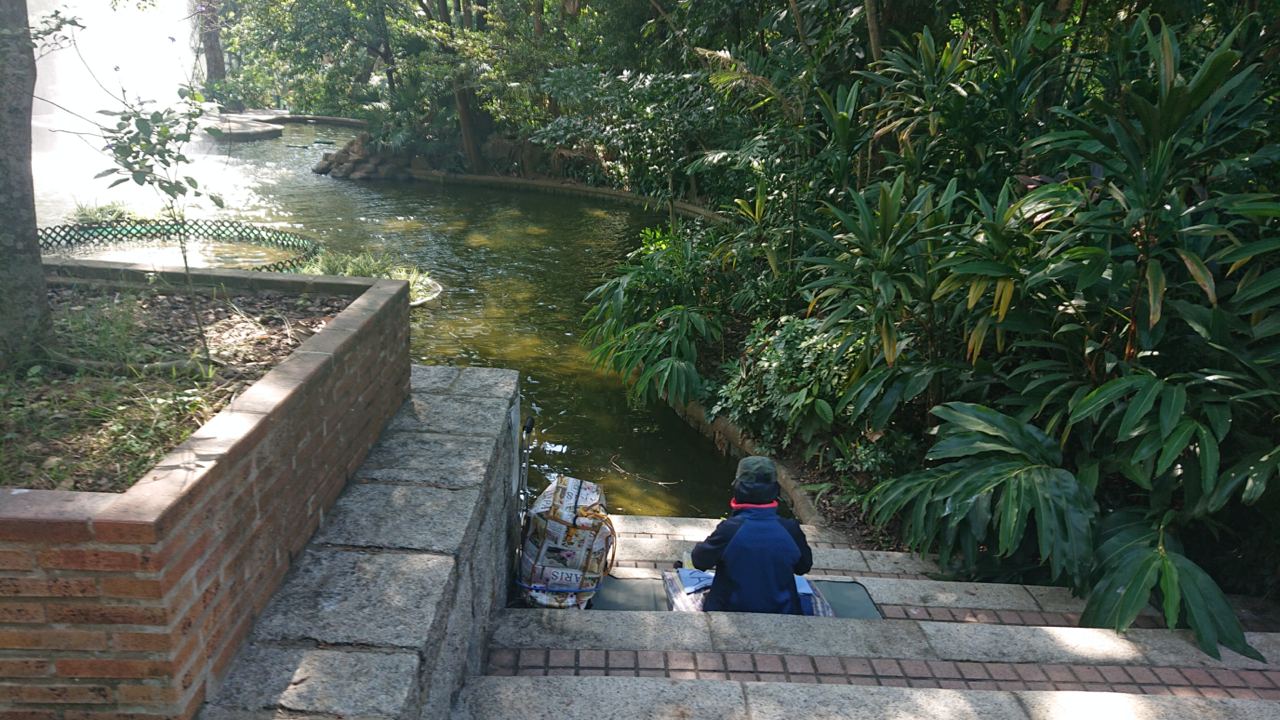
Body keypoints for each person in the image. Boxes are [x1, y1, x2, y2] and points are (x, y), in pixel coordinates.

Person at [690, 456, 813, 614]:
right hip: (783, 611)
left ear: (738, 487)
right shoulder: (790, 529)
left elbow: (698, 561)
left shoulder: (729, 529)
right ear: (775, 489)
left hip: (729, 610)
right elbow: (803, 567)